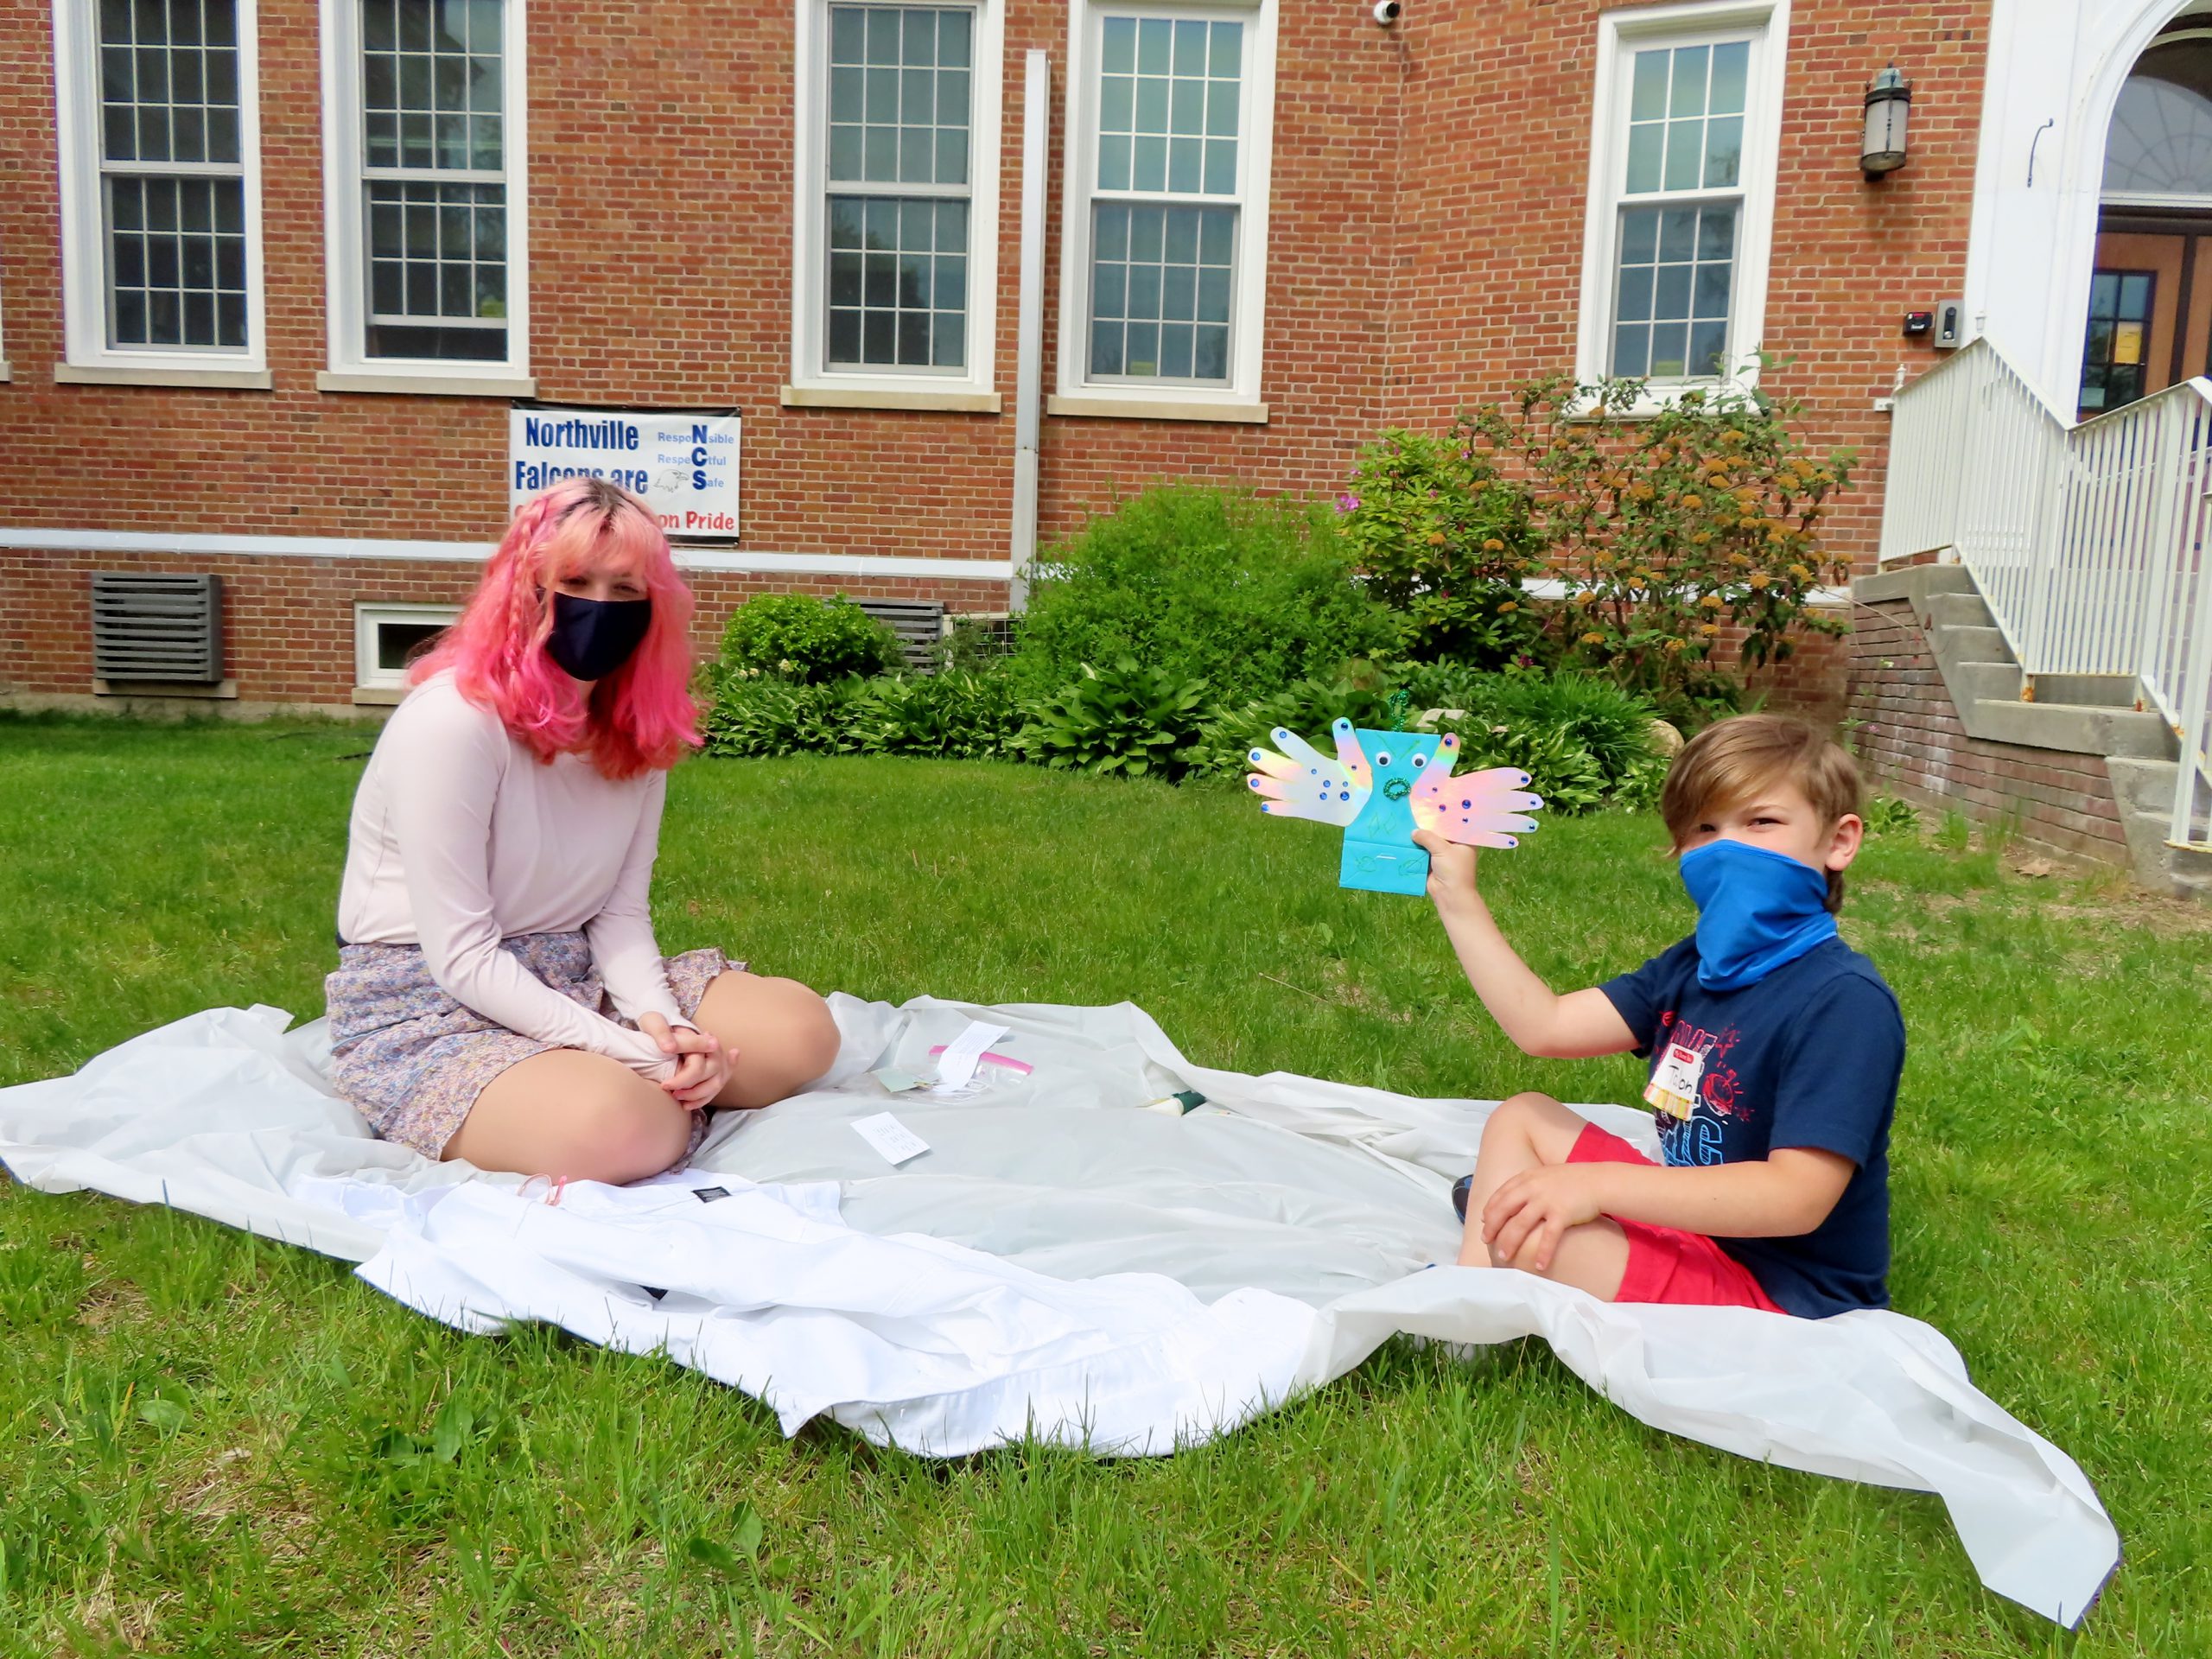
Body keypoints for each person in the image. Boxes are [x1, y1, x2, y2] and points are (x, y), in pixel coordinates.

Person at [325, 477, 842, 1183]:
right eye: (574, 581)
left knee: (800, 1034)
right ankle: (623, 1094)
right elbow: (463, 958)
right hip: (433, 998)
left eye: (627, 590)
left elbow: (618, 914)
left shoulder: (635, 732)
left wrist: (668, 1028)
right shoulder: (453, 721)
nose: (600, 607)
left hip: (573, 973)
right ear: (523, 589)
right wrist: (640, 1057)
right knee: (624, 1126)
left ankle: (627, 1083)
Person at [1413, 714, 1904, 1318]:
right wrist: (1457, 897)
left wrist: (1591, 1186)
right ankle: (1475, 1288)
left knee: (1526, 1239)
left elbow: (1795, 1198)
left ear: (1838, 841)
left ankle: (1478, 1289)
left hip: (1780, 1297)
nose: (1728, 847)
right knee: (1522, 1118)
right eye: (1705, 827)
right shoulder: (1695, 966)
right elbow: (1546, 1027)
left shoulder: (1844, 1001)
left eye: (1762, 821)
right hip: (1696, 1233)